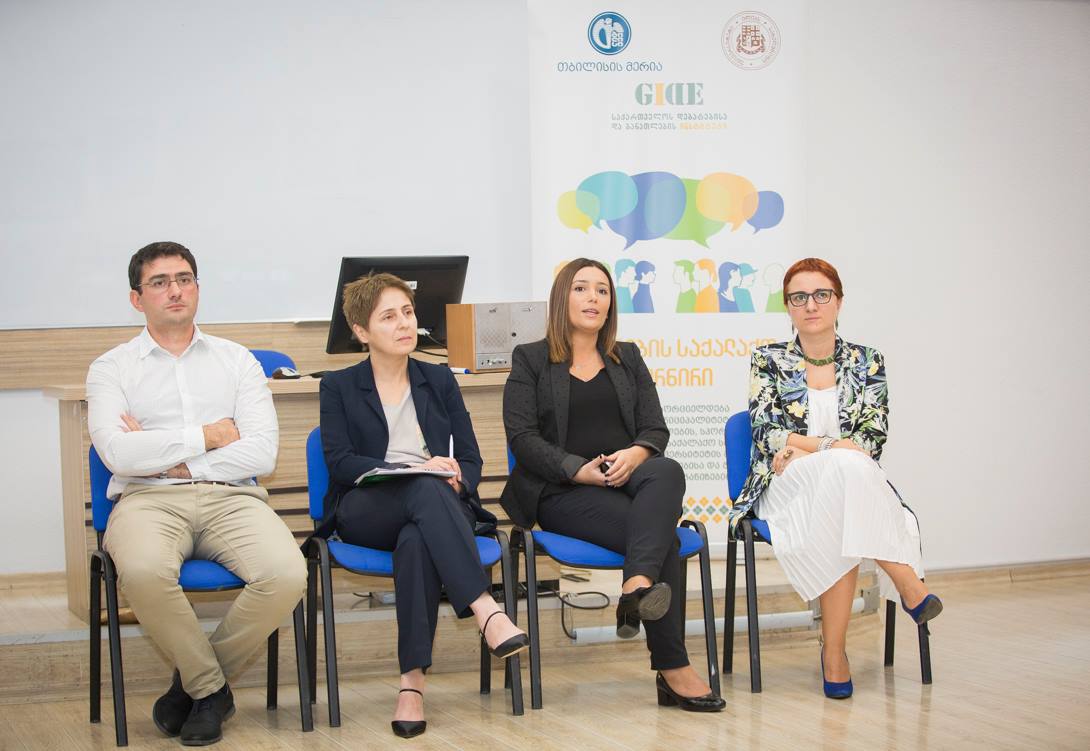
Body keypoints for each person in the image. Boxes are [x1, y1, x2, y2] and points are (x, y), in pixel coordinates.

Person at [86, 242, 307, 745]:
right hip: (146, 500)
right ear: (136, 298)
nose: (175, 290)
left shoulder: (237, 361)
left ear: (198, 288)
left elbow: (261, 453)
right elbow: (118, 454)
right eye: (160, 282)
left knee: (287, 572)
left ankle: (192, 687)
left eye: (184, 279)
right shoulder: (111, 368)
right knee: (144, 571)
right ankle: (210, 689)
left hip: (232, 497)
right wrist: (209, 435)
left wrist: (168, 456)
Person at [501, 258, 725, 712]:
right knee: (661, 538)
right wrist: (575, 469)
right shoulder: (530, 358)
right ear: (561, 298)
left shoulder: (628, 356)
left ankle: (634, 587)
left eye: (602, 291)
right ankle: (672, 666)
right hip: (562, 491)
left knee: (667, 470)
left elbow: (655, 428)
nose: (593, 298)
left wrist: (636, 454)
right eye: (582, 288)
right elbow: (522, 439)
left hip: (624, 478)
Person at [318, 273, 529, 739]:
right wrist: (413, 470)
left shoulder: (438, 378)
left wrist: (457, 477)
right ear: (361, 331)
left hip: (433, 511)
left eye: (408, 313)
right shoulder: (338, 386)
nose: (404, 324)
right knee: (424, 486)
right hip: (367, 508)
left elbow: (470, 458)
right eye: (388, 317)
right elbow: (340, 462)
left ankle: (411, 685)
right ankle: (485, 609)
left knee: (417, 538)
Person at [731, 257, 942, 699]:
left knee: (843, 486)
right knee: (846, 470)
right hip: (785, 483)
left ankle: (834, 653)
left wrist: (805, 444)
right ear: (788, 306)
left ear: (839, 301)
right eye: (799, 297)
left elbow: (872, 437)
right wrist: (829, 446)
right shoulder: (768, 359)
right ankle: (906, 582)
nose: (811, 304)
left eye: (821, 294)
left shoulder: (868, 361)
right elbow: (765, 432)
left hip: (846, 479)